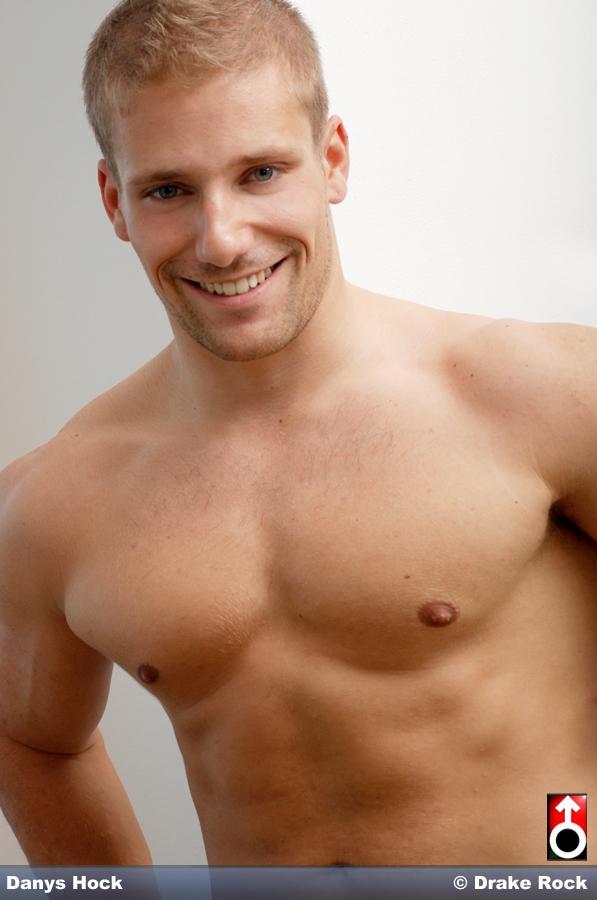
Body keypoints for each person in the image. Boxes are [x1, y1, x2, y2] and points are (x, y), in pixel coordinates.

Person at [0, 0, 595, 867]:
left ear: (332, 159)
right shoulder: (50, 503)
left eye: (261, 173)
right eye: (168, 190)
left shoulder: (543, 395)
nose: (221, 240)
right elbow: (31, 740)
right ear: (113, 201)